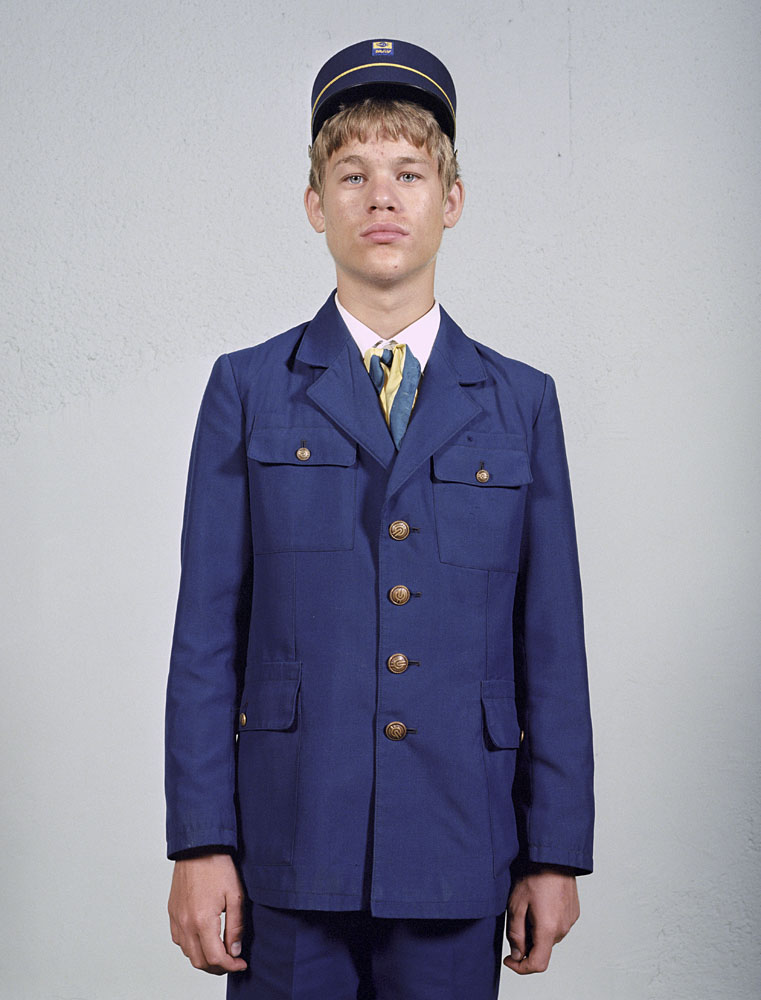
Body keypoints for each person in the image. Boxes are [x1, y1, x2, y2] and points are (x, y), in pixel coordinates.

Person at [165, 37, 594, 999]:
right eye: (352, 174)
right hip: (289, 840)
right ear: (316, 205)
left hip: (460, 840)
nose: (381, 198)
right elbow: (206, 635)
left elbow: (550, 643)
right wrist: (199, 842)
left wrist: (553, 849)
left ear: (452, 200)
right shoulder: (248, 388)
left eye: (409, 172)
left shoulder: (520, 403)